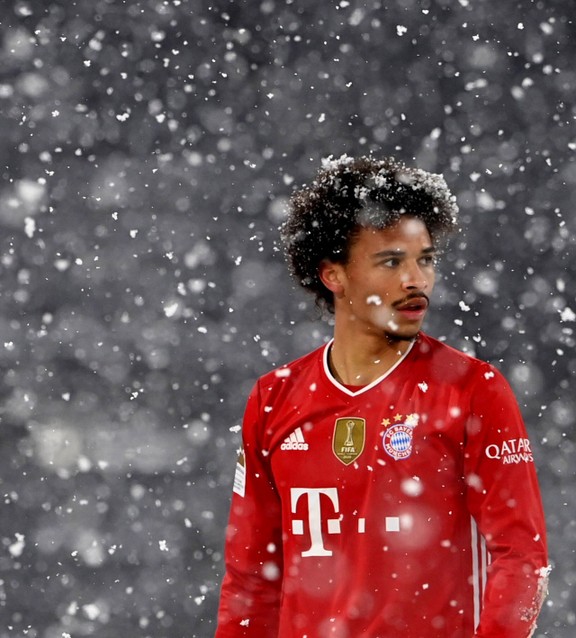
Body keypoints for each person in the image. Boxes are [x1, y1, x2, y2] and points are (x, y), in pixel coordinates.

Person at [215, 155, 549, 638]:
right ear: (333, 275)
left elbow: (522, 558)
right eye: (392, 261)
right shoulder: (274, 398)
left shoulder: (473, 390)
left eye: (425, 259)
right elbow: (250, 578)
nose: (417, 280)